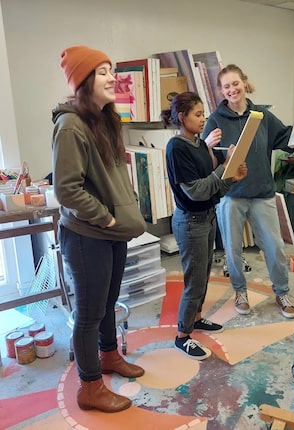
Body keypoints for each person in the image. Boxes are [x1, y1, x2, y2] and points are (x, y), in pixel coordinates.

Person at [52, 45, 147, 413]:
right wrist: (106, 217)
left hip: (112, 232)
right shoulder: (71, 125)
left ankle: (109, 356)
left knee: (108, 303)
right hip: (88, 234)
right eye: (104, 71)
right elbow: (67, 189)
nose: (113, 77)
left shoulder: (106, 120)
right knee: (89, 313)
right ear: (84, 80)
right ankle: (89, 387)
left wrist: (120, 214)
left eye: (112, 70)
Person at [203, 64, 294, 319]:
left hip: (262, 193)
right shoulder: (215, 120)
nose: (232, 89)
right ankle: (240, 292)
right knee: (232, 249)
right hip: (231, 195)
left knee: (274, 247)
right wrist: (208, 146)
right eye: (226, 86)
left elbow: (291, 139)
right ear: (221, 90)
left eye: (235, 83)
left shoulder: (261, 116)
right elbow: (207, 161)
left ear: (244, 82)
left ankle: (282, 292)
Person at [161, 92, 247, 360]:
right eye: (197, 115)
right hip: (190, 222)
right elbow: (197, 191)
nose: (203, 119)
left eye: (203, 114)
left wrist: (231, 175)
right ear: (181, 117)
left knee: (203, 275)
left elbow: (212, 185)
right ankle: (183, 335)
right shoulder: (177, 147)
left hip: (206, 217)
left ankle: (196, 319)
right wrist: (224, 171)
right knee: (193, 281)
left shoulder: (198, 144)